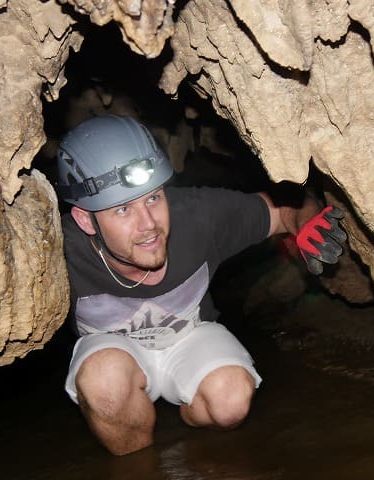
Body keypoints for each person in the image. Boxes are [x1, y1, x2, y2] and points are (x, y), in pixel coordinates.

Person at [56, 114, 346, 455]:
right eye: (122, 210)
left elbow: (285, 207)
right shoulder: (60, 251)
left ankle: (189, 438)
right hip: (112, 350)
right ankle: (138, 458)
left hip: (190, 336)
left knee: (231, 402)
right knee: (105, 383)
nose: (148, 224)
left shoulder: (197, 217)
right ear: (85, 219)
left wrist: (306, 223)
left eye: (153, 198)